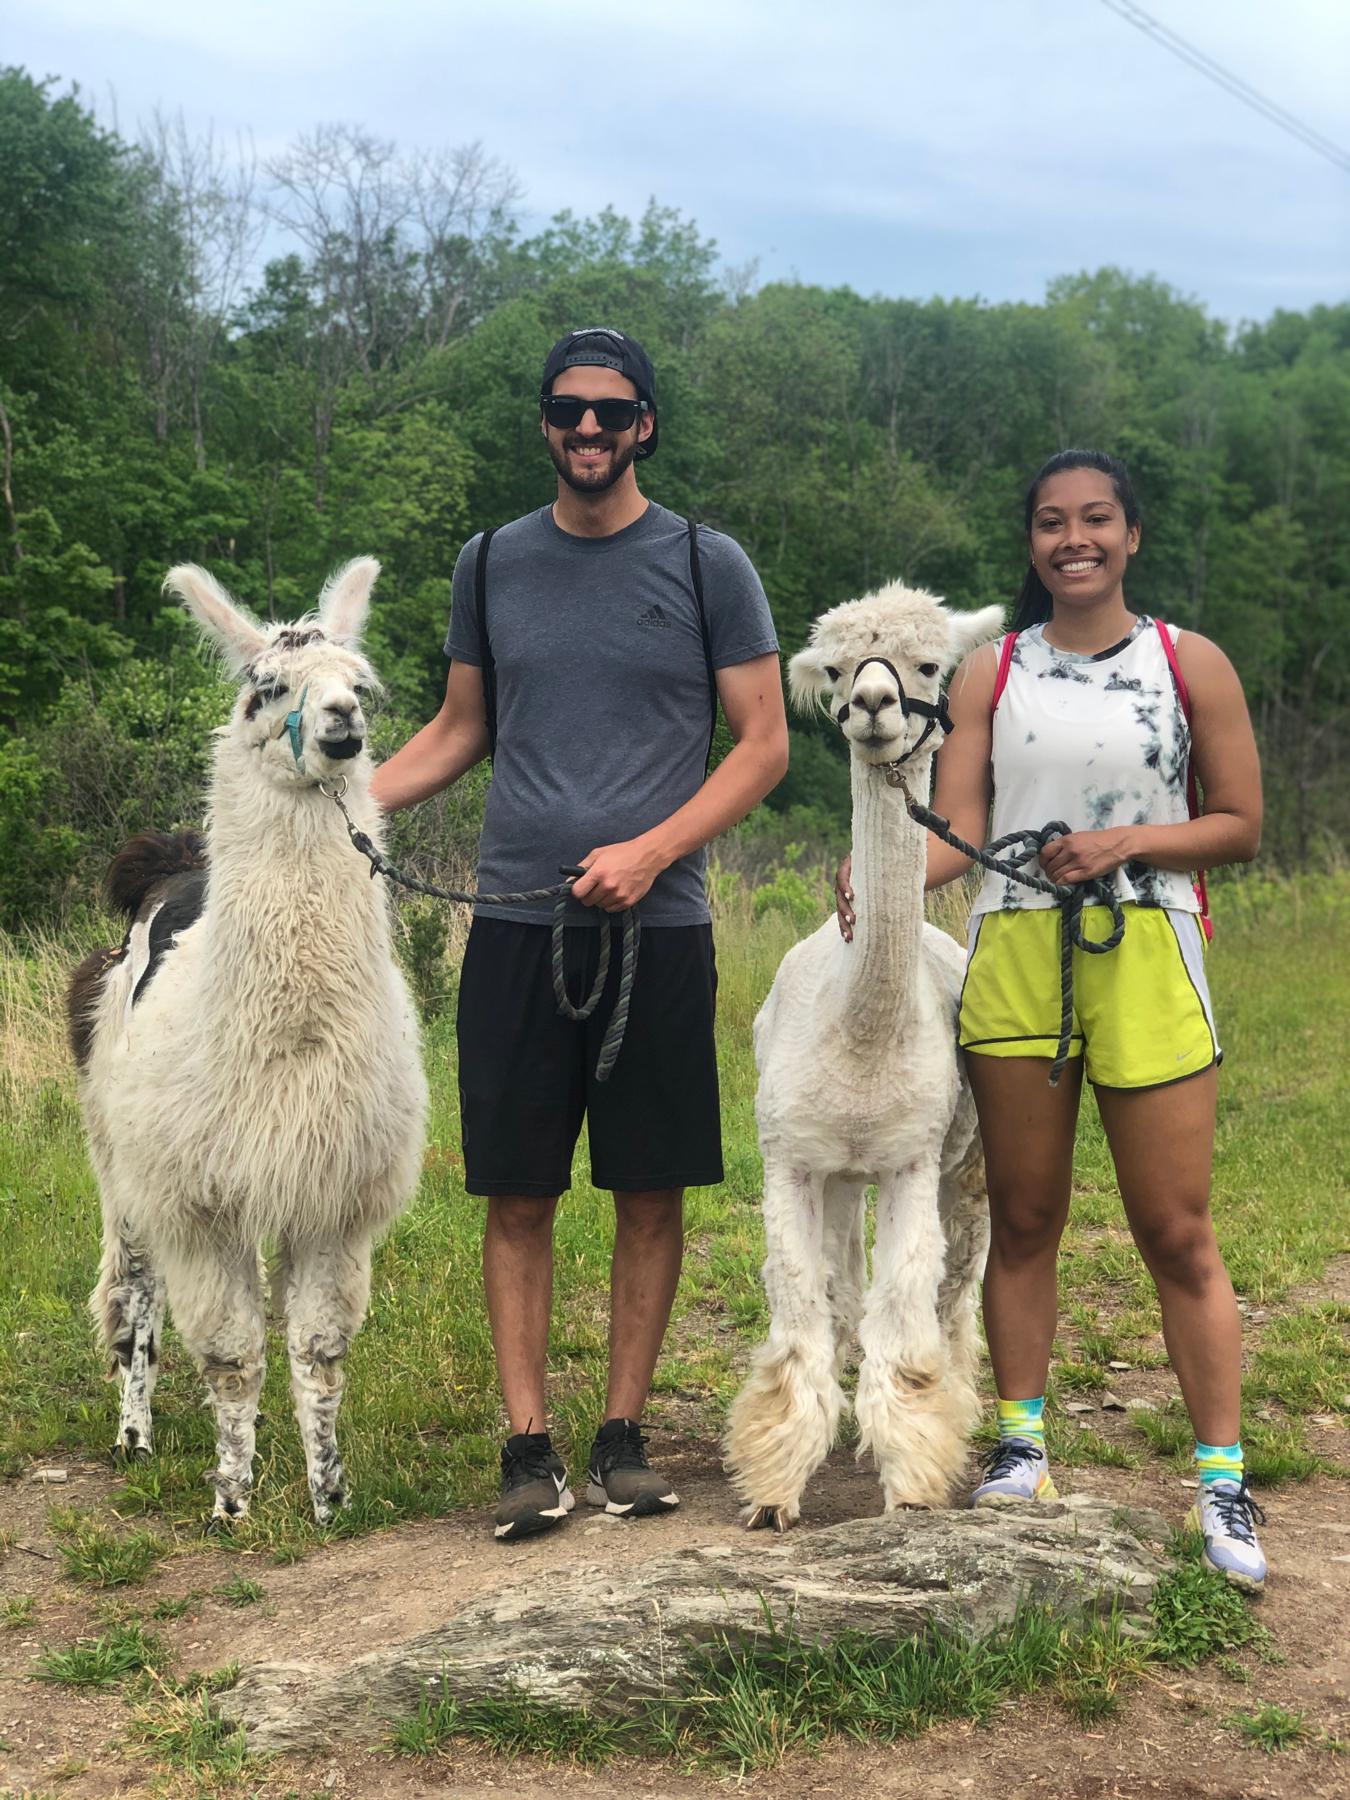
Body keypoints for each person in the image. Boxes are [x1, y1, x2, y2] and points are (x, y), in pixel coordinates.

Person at [372, 327, 788, 1541]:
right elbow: (461, 729)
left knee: (648, 1185)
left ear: (646, 423)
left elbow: (761, 744)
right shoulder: (491, 560)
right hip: (515, 920)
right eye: (569, 411)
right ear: (545, 423)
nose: (589, 431)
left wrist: (652, 850)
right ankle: (526, 1450)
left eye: (612, 412)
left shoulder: (711, 564)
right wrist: (339, 799)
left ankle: (621, 1439)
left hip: (657, 926)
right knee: (517, 1189)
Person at [835, 449, 1267, 1590]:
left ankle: (1221, 1475)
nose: (1072, 540)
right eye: (1048, 523)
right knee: (1023, 1219)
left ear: (1131, 534)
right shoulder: (992, 671)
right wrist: (880, 871)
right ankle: (1021, 1444)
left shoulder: (1190, 664)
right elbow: (958, 824)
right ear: (1031, 542)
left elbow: (1238, 824)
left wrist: (1128, 841)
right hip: (1019, 952)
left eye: (1094, 521)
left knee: (1176, 1230)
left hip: (1148, 950)